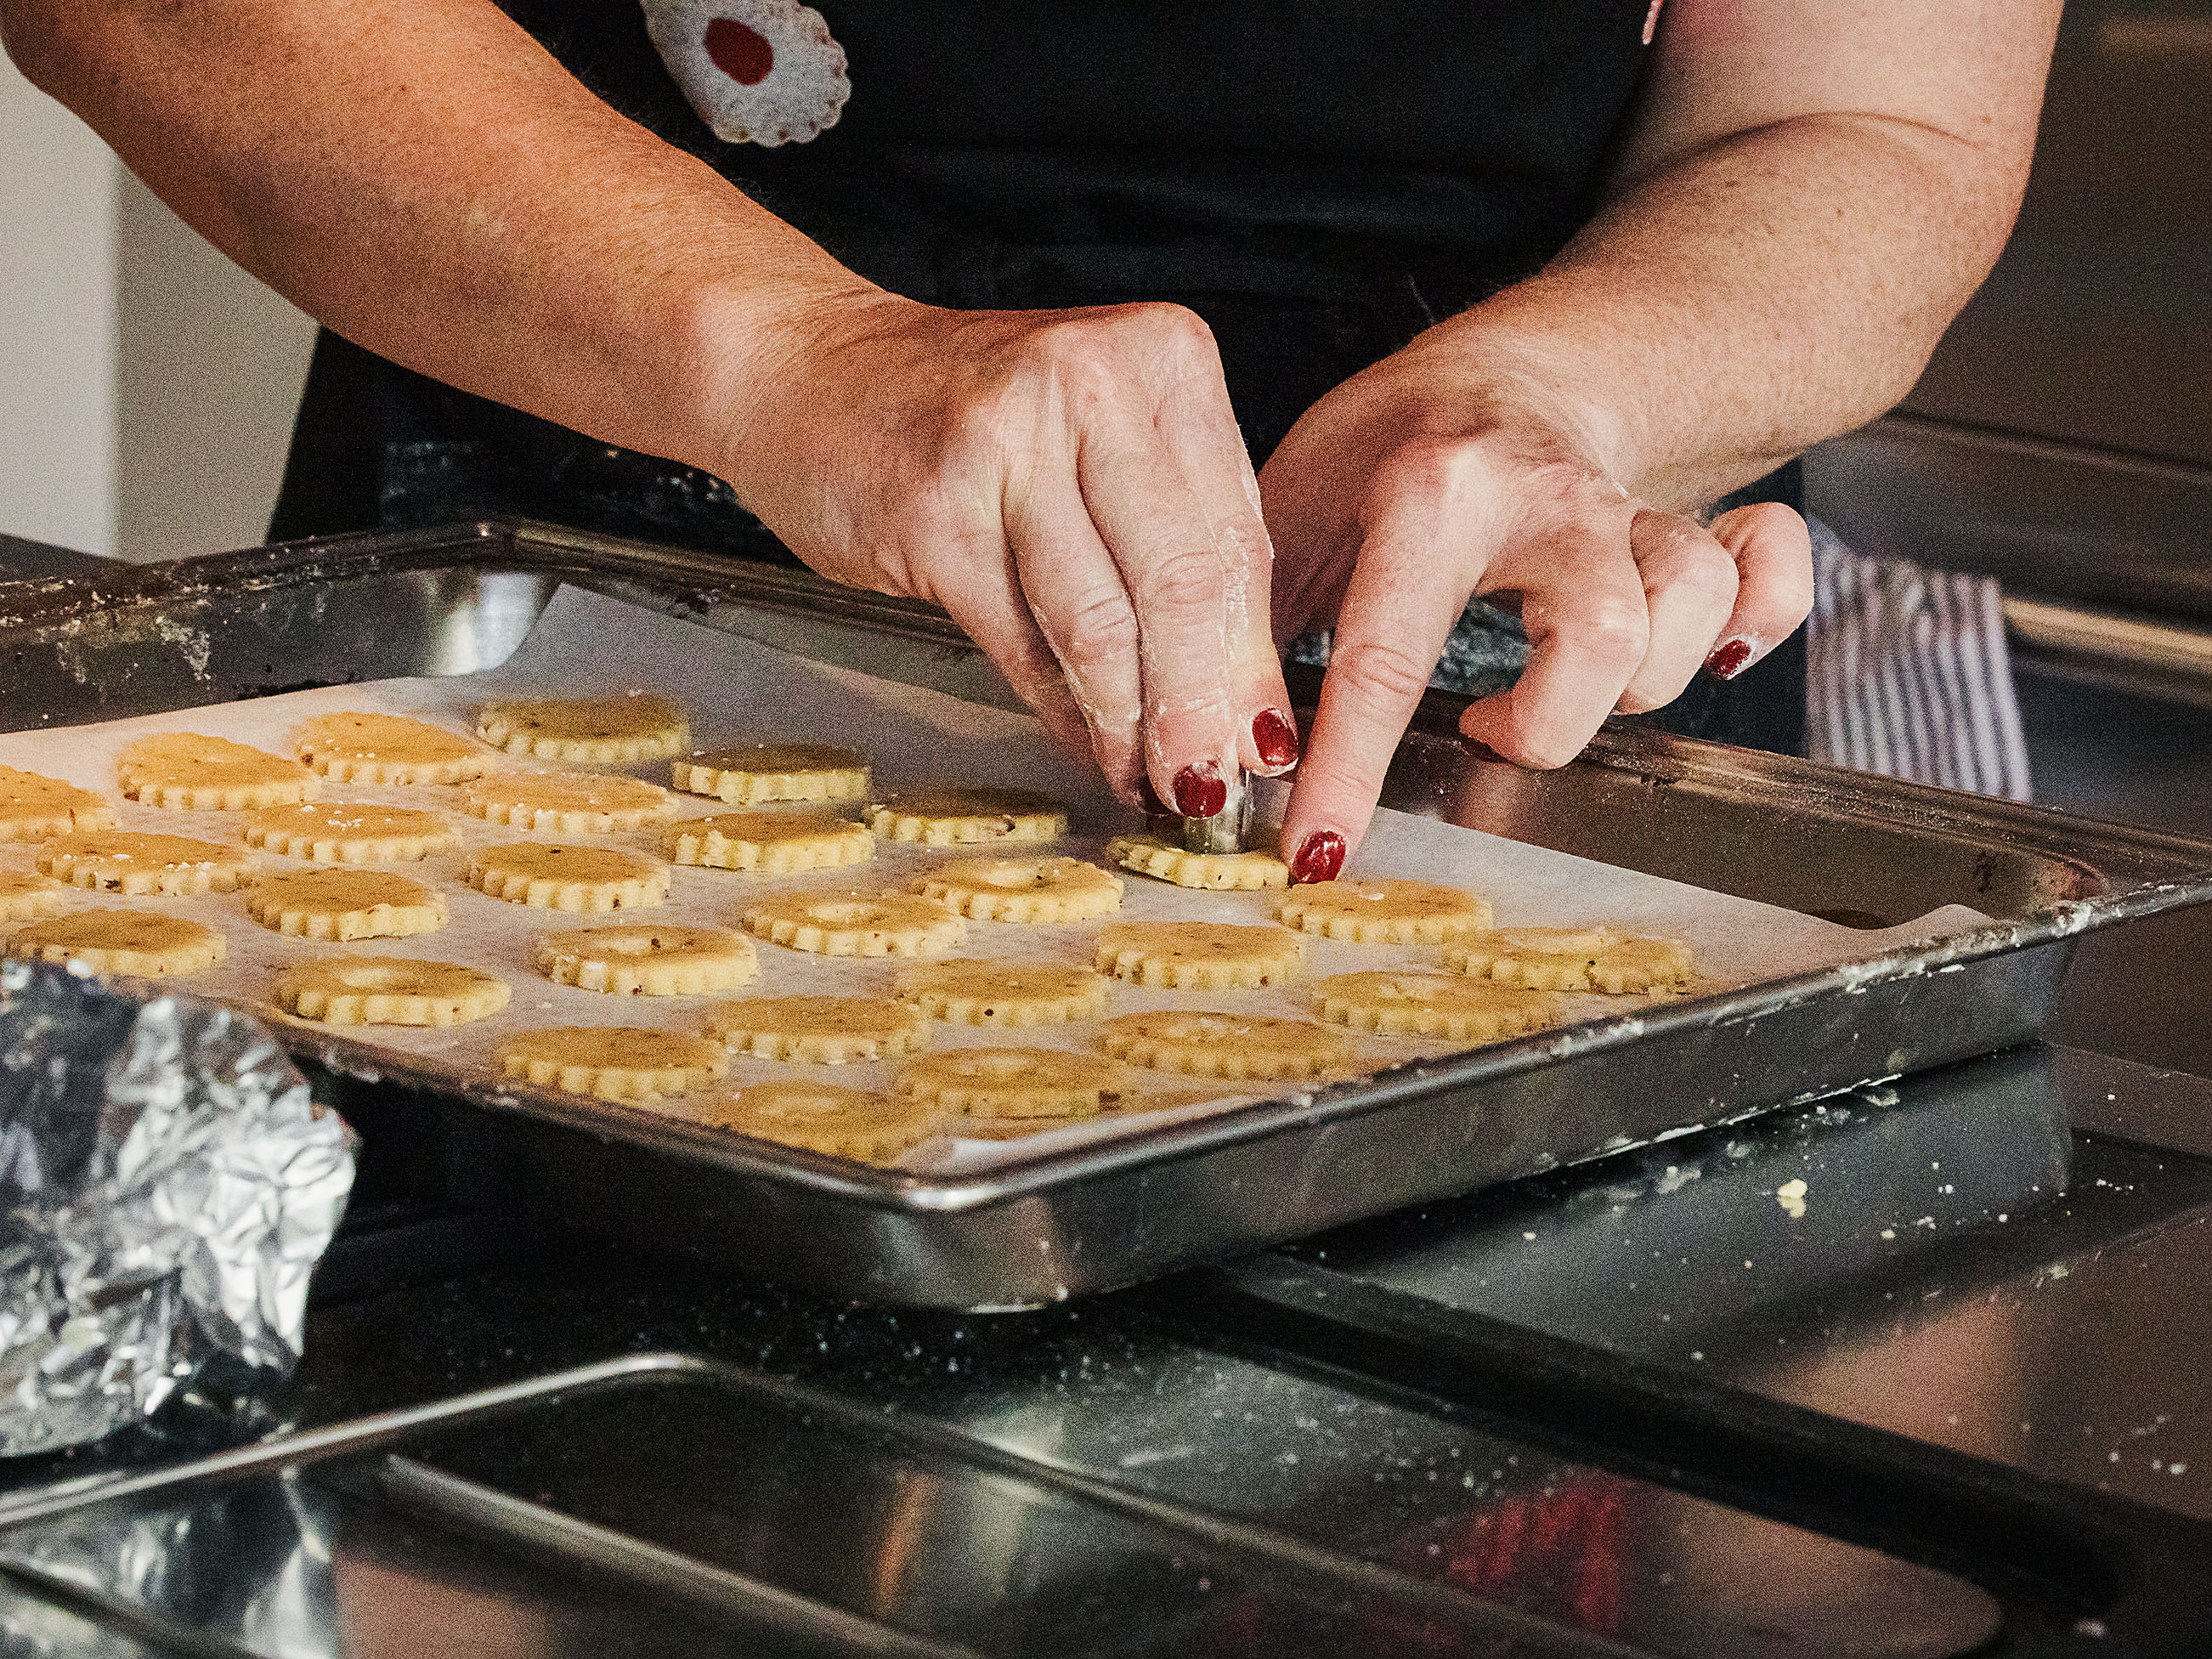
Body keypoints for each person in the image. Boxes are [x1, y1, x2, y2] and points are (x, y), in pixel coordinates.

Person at [2, 1, 2059, 880]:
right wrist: (798, 355)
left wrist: (1550, 396)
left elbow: (1870, 117)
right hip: (596, 458)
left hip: (1504, 618)